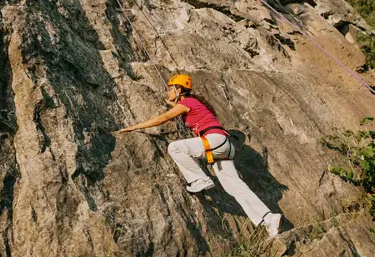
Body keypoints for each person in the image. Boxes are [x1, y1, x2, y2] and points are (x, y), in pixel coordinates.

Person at [116, 74, 282, 237]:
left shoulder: (188, 102)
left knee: (175, 148)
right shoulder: (190, 103)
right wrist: (172, 103)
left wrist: (134, 127)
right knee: (236, 188)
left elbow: (163, 118)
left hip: (214, 140)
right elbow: (176, 108)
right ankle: (269, 218)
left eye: (170, 89)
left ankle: (199, 179)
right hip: (223, 146)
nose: (168, 92)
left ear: (178, 89)